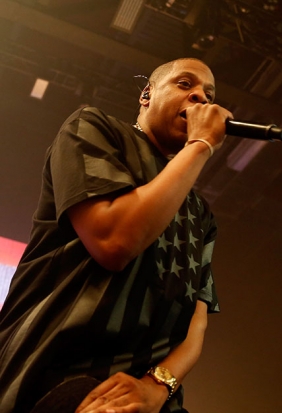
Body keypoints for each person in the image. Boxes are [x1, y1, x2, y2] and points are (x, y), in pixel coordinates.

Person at [0, 57, 232, 413]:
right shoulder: (93, 127)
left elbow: (195, 325)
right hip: (54, 385)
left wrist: (156, 387)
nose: (201, 98)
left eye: (209, 93)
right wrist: (200, 145)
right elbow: (113, 241)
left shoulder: (202, 213)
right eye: (185, 85)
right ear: (146, 95)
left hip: (153, 402)